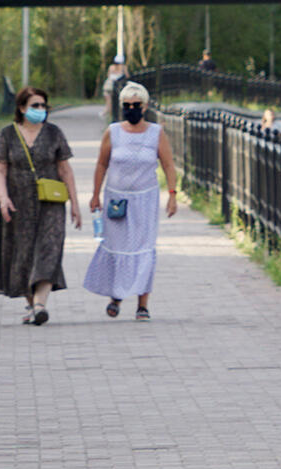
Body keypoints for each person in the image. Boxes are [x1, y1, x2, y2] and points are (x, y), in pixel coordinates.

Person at [84, 82, 178, 322]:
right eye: (127, 105)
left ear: (145, 106)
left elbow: (168, 164)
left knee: (143, 248)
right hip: (117, 200)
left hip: (145, 200)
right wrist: (95, 194)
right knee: (117, 246)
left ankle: (142, 304)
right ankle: (116, 296)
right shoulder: (113, 132)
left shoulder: (156, 133)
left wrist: (172, 194)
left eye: (136, 105)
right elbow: (102, 164)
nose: (132, 109)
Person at [0, 86, 81, 326]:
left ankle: (40, 305)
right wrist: (3, 199)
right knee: (22, 255)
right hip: (18, 203)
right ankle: (32, 305)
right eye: (35, 106)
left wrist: (75, 204)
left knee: (49, 250)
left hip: (50, 202)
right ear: (22, 108)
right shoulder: (7, 135)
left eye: (43, 106)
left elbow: (65, 169)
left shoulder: (54, 134)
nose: (40, 110)